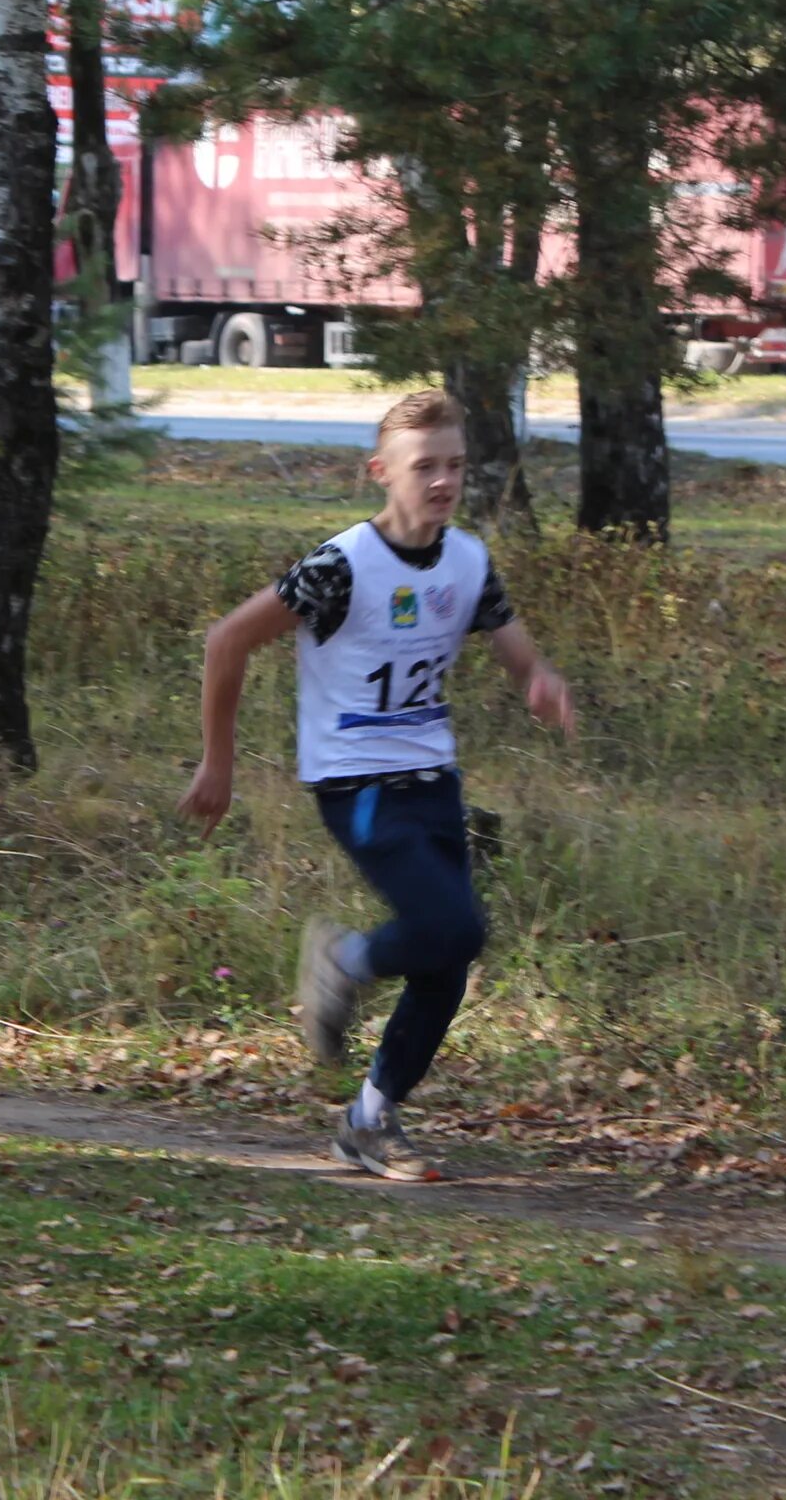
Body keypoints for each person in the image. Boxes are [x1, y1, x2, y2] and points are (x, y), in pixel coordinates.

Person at [178, 388, 573, 1182]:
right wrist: (216, 761)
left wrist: (537, 678)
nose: (443, 481)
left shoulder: (466, 559)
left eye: (455, 465)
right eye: (424, 466)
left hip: (434, 780)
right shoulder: (340, 567)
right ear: (380, 473)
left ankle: (368, 1121)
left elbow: (509, 635)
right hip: (356, 782)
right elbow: (227, 641)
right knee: (455, 926)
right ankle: (346, 961)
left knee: (447, 960)